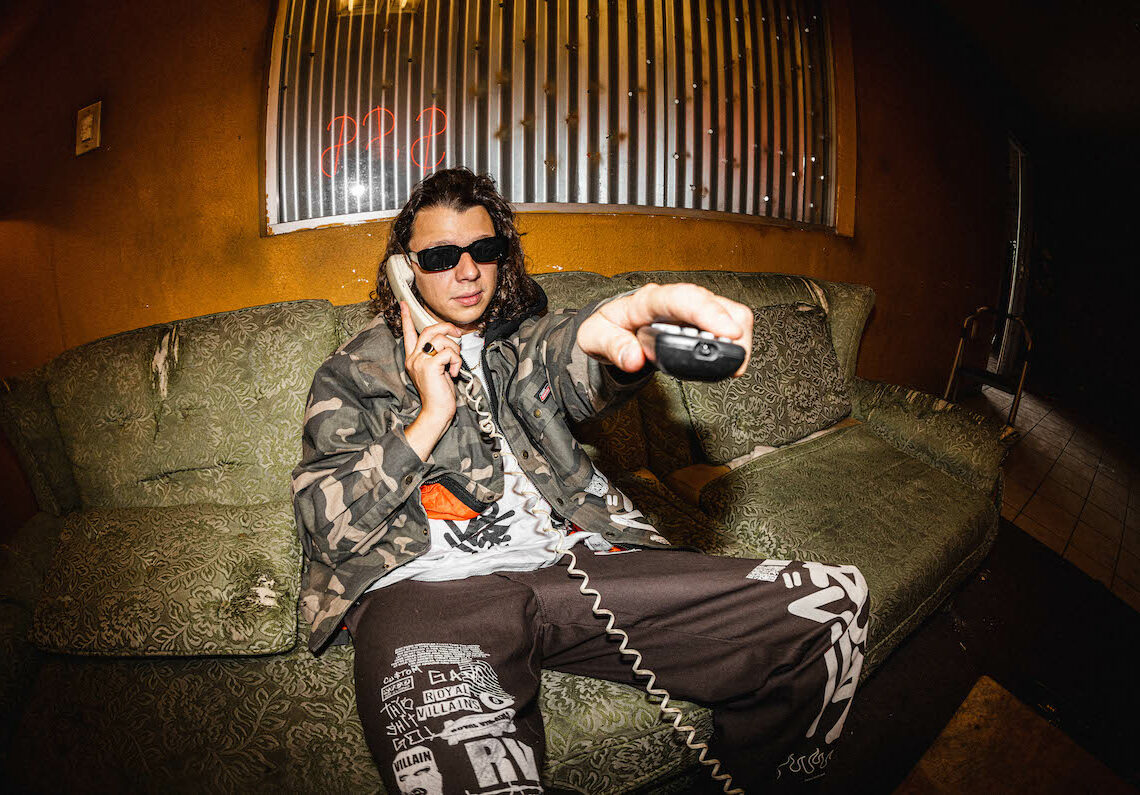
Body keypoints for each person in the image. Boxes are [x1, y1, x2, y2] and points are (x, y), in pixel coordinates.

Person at [292, 167, 869, 794]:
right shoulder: (354, 372)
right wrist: (431, 416)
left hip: (576, 562)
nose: (468, 272)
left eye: (485, 250)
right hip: (429, 592)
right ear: (406, 269)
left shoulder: (525, 337)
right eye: (440, 256)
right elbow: (326, 525)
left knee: (832, 606)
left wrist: (614, 338)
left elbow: (572, 355)